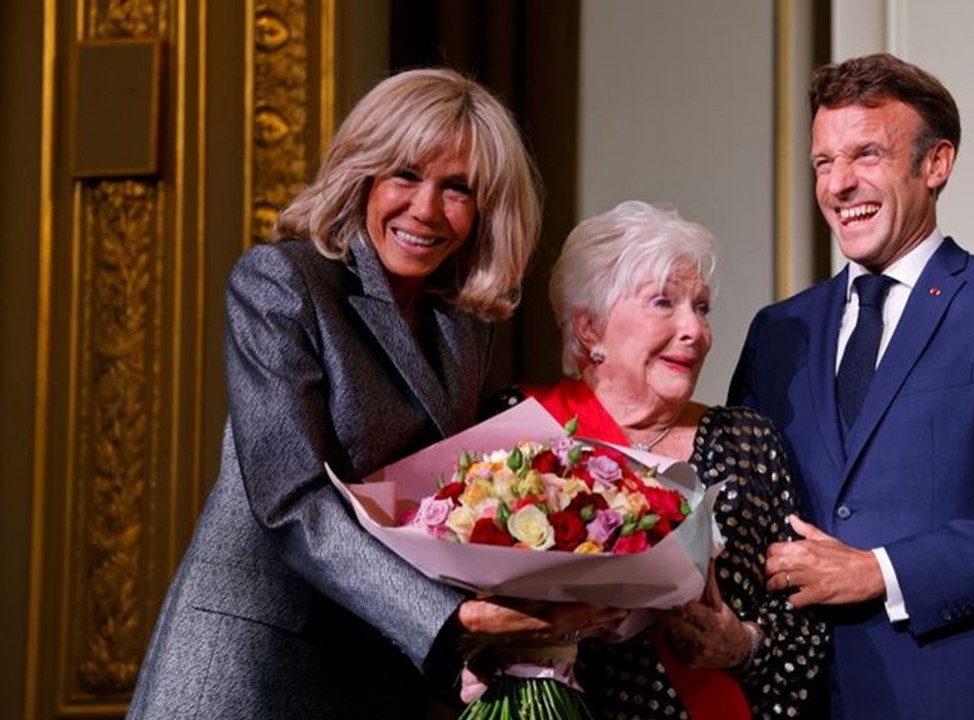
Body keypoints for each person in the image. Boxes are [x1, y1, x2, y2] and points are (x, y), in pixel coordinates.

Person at [127, 68, 619, 720]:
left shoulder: (463, 326)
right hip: (252, 659)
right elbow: (290, 498)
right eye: (405, 175)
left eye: (458, 190)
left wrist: (550, 592)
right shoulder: (281, 282)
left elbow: (441, 504)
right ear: (363, 175)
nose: (425, 209)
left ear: (485, 211)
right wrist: (450, 619)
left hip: (379, 665)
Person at [728, 53, 974, 719]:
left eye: (867, 155)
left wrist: (882, 571)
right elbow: (738, 505)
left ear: (935, 165)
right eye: (824, 162)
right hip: (791, 698)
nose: (840, 184)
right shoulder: (779, 331)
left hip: (944, 695)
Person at [486, 200, 828, 720]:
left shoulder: (746, 443)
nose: (695, 330)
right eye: (663, 304)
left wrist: (742, 642)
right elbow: (445, 609)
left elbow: (802, 624)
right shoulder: (525, 426)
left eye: (702, 308)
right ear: (589, 328)